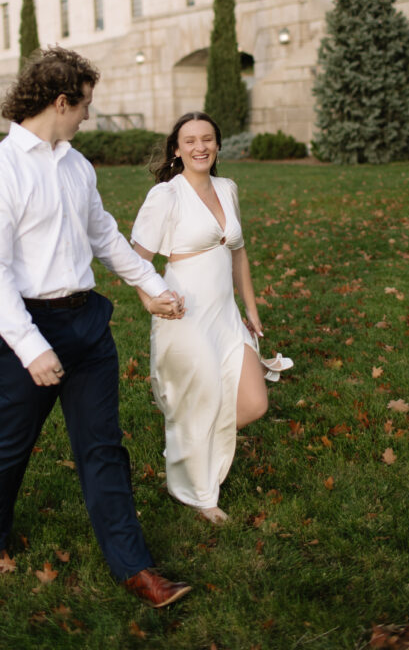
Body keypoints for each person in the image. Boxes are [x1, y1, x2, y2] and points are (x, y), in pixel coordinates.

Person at [0, 47, 191, 608]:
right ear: (60, 101)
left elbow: (104, 235)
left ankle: (134, 567)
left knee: (104, 448)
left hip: (87, 323)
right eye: (84, 104)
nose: (88, 115)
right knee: (12, 443)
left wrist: (150, 284)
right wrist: (29, 346)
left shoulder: (76, 164)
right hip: (26, 326)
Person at [131, 112, 292, 524]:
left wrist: (250, 309)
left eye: (207, 139)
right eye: (190, 141)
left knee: (254, 403)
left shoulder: (227, 188)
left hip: (225, 315)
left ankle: (188, 443)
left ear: (218, 145)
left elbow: (237, 252)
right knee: (200, 400)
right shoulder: (166, 196)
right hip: (184, 315)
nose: (199, 147)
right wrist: (150, 301)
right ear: (176, 149)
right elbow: (138, 260)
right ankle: (201, 495)